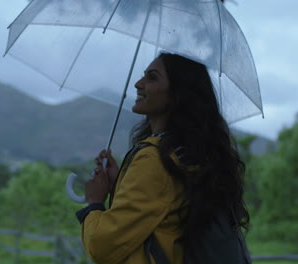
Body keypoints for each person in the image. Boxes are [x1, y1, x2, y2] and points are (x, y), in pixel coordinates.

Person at [75, 52, 250, 264]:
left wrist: (94, 203)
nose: (138, 84)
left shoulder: (155, 159)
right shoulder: (184, 153)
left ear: (178, 93)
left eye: (152, 77)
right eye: (144, 76)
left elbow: (101, 246)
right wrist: (118, 185)